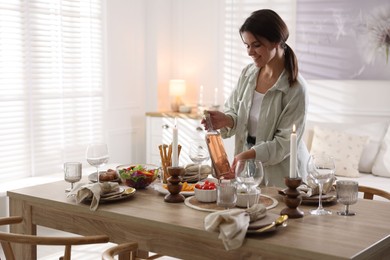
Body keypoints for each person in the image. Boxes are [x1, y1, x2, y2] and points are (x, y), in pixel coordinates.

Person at [202, 9, 309, 188]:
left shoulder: (295, 88)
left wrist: (246, 155)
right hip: (248, 170)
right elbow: (235, 111)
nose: (250, 52)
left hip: (284, 177)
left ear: (276, 41)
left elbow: (284, 144)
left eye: (256, 45)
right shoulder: (248, 74)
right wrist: (227, 120)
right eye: (247, 45)